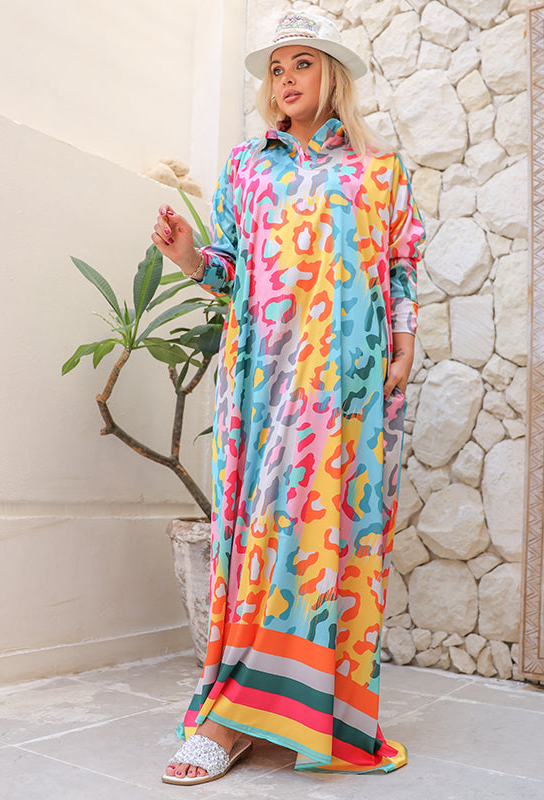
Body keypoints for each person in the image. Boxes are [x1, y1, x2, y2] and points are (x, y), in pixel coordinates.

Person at [152, 9, 424, 786]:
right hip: (262, 382)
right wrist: (188, 257)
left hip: (347, 382)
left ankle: (312, 713)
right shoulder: (247, 166)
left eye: (301, 64)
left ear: (329, 75)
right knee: (263, 532)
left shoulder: (378, 172)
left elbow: (399, 264)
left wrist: (404, 337)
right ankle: (231, 717)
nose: (286, 79)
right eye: (277, 68)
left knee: (330, 533)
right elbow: (229, 270)